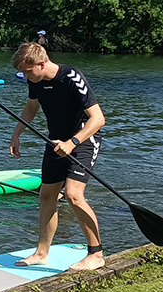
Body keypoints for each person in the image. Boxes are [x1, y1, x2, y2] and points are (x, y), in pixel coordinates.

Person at [8, 42, 106, 271]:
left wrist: (72, 143)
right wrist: (16, 134)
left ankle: (96, 254)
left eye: (28, 71)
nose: (25, 75)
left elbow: (98, 118)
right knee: (46, 196)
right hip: (55, 141)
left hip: (83, 139)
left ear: (42, 63)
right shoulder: (36, 81)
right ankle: (42, 253)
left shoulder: (71, 77)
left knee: (73, 195)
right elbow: (32, 106)